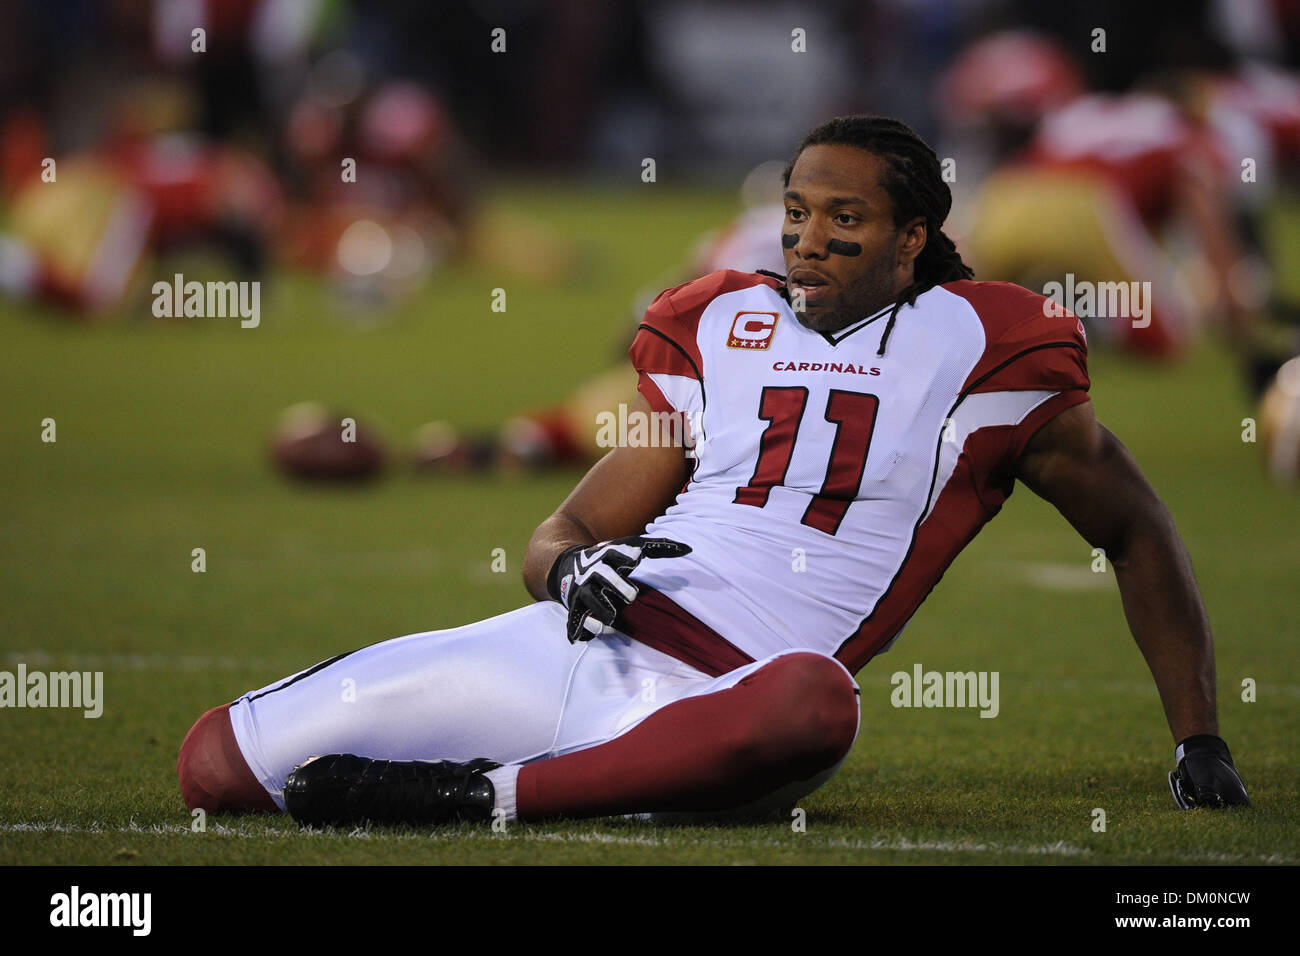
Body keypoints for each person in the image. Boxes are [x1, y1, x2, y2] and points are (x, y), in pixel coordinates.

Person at [177, 115, 1249, 826]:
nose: (808, 240)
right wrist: (563, 573)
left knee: (817, 704)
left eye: (845, 218)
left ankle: (475, 796)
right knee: (215, 764)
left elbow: (1135, 529)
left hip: (732, 700)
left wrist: (1196, 734)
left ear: (913, 235)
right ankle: (494, 775)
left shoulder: (989, 345)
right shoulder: (718, 322)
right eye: (797, 213)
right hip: (582, 642)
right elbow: (560, 531)